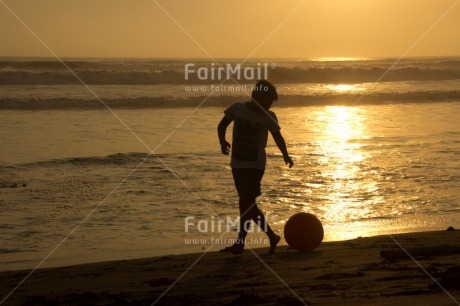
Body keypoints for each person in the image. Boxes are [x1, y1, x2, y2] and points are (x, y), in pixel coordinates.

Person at [217, 80, 294, 255]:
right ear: (254, 97)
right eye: (265, 102)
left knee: (245, 202)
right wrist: (222, 142)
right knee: (247, 204)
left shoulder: (269, 116)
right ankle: (271, 236)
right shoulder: (238, 109)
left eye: (269, 104)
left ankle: (240, 243)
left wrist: (285, 154)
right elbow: (222, 125)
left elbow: (278, 137)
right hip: (237, 163)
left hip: (255, 165)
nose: (267, 107)